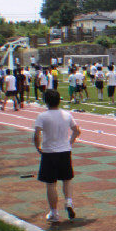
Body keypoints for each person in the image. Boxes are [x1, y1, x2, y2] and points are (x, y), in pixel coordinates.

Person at [33, 89, 81, 224]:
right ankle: (69, 201)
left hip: (49, 152)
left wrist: (38, 147)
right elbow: (77, 131)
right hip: (65, 151)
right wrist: (70, 143)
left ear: (46, 101)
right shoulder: (67, 114)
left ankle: (54, 213)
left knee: (51, 183)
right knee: (67, 179)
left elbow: (36, 135)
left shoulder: (42, 116)